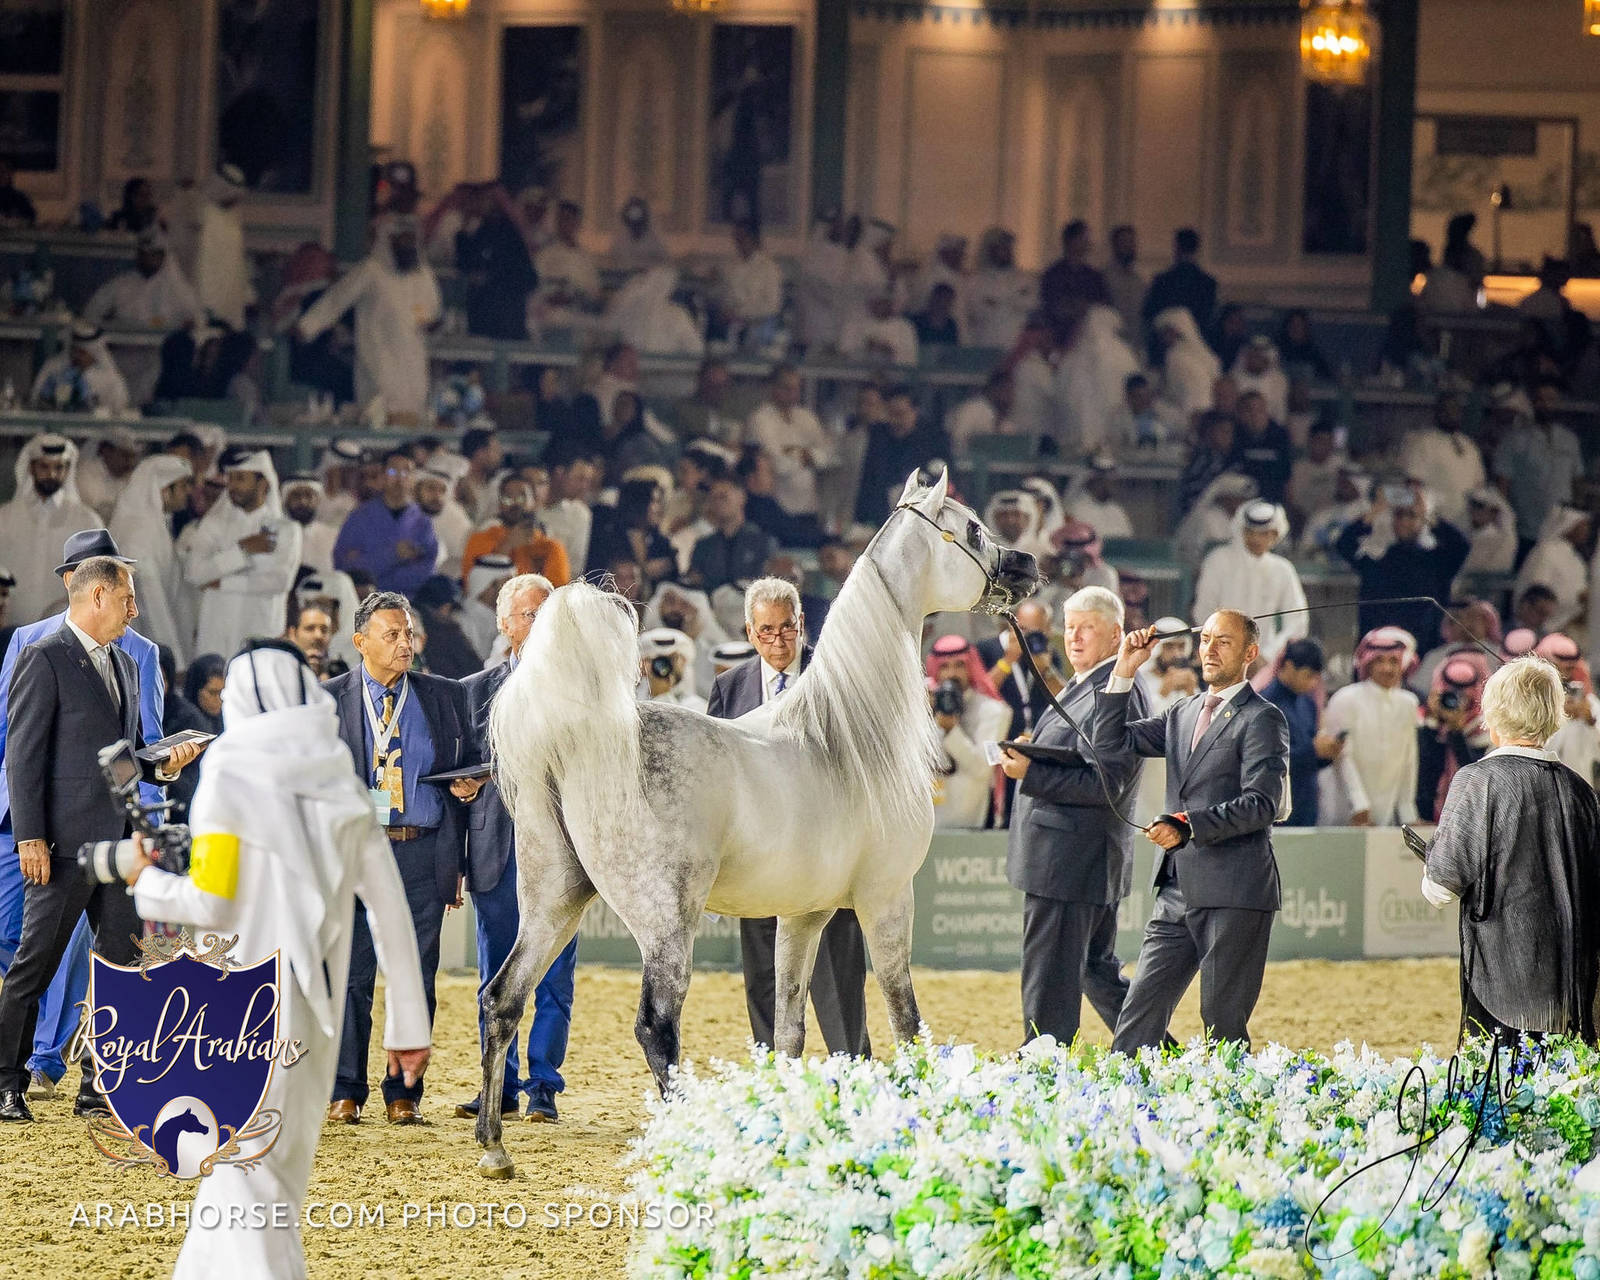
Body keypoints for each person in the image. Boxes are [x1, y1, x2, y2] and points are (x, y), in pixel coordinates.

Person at [126, 641, 430, 1276]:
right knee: (274, 1181)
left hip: (239, 1009)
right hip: (317, 1013)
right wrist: (408, 1027)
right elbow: (389, 909)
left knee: (243, 1176)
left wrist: (143, 881)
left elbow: (208, 903)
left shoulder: (229, 777)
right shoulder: (342, 783)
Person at [0, 557, 204, 1122]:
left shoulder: (127, 663)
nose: (135, 610)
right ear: (95, 598)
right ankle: (5, 1080)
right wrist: (31, 838)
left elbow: (124, 759)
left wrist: (165, 765)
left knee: (122, 964)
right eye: (127, 599)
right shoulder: (43, 658)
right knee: (34, 966)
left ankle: (100, 1082)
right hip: (62, 847)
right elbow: (23, 756)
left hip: (121, 848)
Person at [1094, 610, 1289, 1051]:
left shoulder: (1263, 718)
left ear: (1250, 653)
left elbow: (1262, 804)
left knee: (1222, 1024)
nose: (1210, 649)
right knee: (1138, 1015)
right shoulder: (1182, 712)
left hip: (1235, 891)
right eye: (1205, 640)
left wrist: (1187, 825)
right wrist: (1124, 669)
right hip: (1176, 890)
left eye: (1224, 642)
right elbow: (1110, 744)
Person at [705, 577, 870, 1055]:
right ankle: (771, 1072)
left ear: (802, 624)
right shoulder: (728, 688)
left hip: (824, 858)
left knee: (838, 975)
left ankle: (853, 1071)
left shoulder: (837, 675)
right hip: (754, 856)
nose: (778, 641)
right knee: (761, 974)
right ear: (749, 633)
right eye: (766, 631)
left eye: (786, 629)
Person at [324, 593, 472, 1124]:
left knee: (415, 975)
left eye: (409, 634)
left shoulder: (445, 696)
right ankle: (344, 1087)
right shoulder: (327, 701)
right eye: (392, 635)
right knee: (351, 973)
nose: (405, 643)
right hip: (353, 855)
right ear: (360, 641)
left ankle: (403, 1090)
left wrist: (469, 788)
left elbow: (468, 765)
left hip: (422, 849)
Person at [450, 574, 577, 1122]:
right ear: (503, 624)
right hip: (495, 850)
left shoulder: (578, 690)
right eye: (527, 614)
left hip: (560, 854)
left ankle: (543, 1086)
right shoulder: (473, 690)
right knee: (495, 971)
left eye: (546, 612)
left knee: (553, 974)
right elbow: (457, 771)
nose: (537, 623)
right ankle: (497, 1084)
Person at [1422, 656, 1600, 1045]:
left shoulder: (1476, 781)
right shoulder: (1583, 793)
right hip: (1575, 993)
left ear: (1490, 711)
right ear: (1555, 715)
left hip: (1500, 987)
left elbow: (1440, 888)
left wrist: (1434, 853)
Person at [1000, 586, 1145, 1044]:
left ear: (1117, 634)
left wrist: (1031, 773)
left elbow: (1104, 783)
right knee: (1092, 970)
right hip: (1078, 855)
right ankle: (1158, 1050)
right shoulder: (1090, 684)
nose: (1074, 638)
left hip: (1070, 859)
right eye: (1069, 628)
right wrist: (1037, 755)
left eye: (1087, 628)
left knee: (1050, 981)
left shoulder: (1115, 690)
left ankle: (1042, 1067)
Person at [297, 217, 441, 421]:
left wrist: (433, 323)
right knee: (378, 410)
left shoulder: (423, 274)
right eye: (402, 242)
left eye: (410, 241)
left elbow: (432, 311)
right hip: (378, 355)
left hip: (412, 358)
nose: (407, 247)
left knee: (413, 410)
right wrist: (308, 326)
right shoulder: (371, 271)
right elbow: (337, 299)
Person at [182, 450, 302, 660]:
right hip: (217, 636)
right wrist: (241, 550)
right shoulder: (213, 525)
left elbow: (279, 581)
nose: (232, 486)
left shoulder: (286, 530)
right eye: (231, 479)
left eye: (241, 479)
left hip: (262, 633)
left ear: (263, 483)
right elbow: (193, 573)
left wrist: (222, 583)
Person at [1335, 490, 1471, 654]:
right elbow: (1344, 544)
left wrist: (1427, 515)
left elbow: (1461, 546)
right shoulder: (1378, 562)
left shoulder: (1436, 563)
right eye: (1399, 516)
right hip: (1380, 653)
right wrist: (1375, 511)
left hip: (1423, 651)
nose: (1404, 522)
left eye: (1411, 516)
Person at [1321, 627, 1421, 827]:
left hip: (1385, 807)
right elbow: (1343, 756)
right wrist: (1358, 805)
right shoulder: (1346, 698)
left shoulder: (1408, 703)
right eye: (1379, 661)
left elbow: (1409, 760)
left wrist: (1408, 811)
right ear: (1368, 663)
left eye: (1393, 661)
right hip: (1344, 806)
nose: (1387, 669)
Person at [0, 437, 101, 627]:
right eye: (44, 467)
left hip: (64, 631)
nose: (52, 474)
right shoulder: (5, 517)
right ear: (31, 468)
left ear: (68, 470)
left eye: (59, 468)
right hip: (11, 629)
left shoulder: (87, 521)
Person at [1191, 500, 1307, 664]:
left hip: (1265, 662)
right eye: (1251, 532)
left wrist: (1267, 655)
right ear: (1242, 530)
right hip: (1220, 657)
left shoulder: (1283, 569)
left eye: (1264, 533)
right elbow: (1203, 611)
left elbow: (1297, 621)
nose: (1257, 539)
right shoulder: (1218, 560)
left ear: (1275, 534)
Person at [108, 454, 194, 665]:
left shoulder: (155, 526)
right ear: (164, 491)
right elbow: (151, 601)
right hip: (138, 645)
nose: (188, 492)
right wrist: (172, 658)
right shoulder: (139, 534)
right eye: (183, 486)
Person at [1493, 379, 1585, 560]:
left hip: (1562, 533)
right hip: (1526, 533)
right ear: (1533, 402)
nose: (1546, 404)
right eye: (1540, 399)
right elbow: (1502, 486)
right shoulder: (1514, 440)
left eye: (1551, 399)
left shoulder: (1569, 440)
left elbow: (1578, 482)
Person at [332, 449, 439, 598]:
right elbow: (346, 567)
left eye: (406, 472)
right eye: (393, 472)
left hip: (409, 604)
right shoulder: (359, 517)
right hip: (365, 603)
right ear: (382, 477)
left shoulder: (423, 523)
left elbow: (425, 572)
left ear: (414, 479)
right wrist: (393, 555)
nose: (399, 479)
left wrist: (378, 574)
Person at [1259, 638, 1339, 826]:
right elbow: (1266, 762)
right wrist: (1313, 751)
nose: (1312, 683)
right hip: (1275, 809)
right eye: (1308, 675)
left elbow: (1310, 755)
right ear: (1288, 666)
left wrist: (1326, 753)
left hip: (1305, 804)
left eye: (1316, 678)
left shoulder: (1307, 703)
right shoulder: (1265, 705)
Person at [744, 364, 836, 526]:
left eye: (796, 389)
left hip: (809, 506)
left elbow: (828, 456)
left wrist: (793, 453)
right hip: (777, 507)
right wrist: (809, 456)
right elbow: (778, 463)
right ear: (773, 388)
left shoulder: (806, 417)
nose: (793, 394)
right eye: (787, 388)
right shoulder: (760, 419)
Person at [854, 388, 951, 527]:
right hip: (882, 517)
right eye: (891, 415)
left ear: (914, 412)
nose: (895, 421)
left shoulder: (934, 440)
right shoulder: (879, 438)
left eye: (900, 414)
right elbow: (869, 482)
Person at [453, 183, 538, 341]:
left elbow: (524, 272)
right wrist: (465, 226)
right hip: (483, 310)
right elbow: (465, 264)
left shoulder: (508, 231)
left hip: (507, 310)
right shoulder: (478, 231)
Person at [1415, 652, 1491, 822]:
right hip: (1426, 817)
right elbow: (1424, 772)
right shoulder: (1423, 719)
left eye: (1465, 690)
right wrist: (1432, 726)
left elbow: (1474, 774)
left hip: (1470, 817)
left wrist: (1457, 732)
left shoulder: (1485, 726)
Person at [1398, 391, 1486, 530]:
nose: (1451, 413)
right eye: (1446, 409)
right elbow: (1413, 486)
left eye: (1455, 409)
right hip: (1435, 524)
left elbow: (1479, 487)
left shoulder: (1469, 446)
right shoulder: (1423, 442)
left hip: (1465, 527)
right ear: (1437, 412)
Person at [686, 476, 776, 595]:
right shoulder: (703, 546)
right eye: (713, 498)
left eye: (723, 496)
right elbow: (694, 582)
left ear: (741, 497)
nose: (718, 503)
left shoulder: (764, 542)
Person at [1141, 227, 1218, 356]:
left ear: (1176, 247)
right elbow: (1207, 318)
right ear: (1197, 249)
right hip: (1196, 345)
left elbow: (1150, 313)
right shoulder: (1208, 283)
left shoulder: (1162, 280)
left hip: (1165, 344)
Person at [29, 320, 132, 415]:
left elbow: (120, 409)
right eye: (74, 350)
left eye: (82, 353)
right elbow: (35, 400)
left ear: (94, 353)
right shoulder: (53, 367)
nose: (76, 356)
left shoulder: (109, 378)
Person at [193, 166, 253, 329]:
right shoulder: (205, 217)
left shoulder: (233, 218)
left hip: (232, 292)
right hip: (207, 289)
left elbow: (237, 260)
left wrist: (247, 294)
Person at [1515, 506, 1591, 633]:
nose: (1586, 531)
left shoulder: (1576, 557)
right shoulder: (1546, 551)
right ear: (1569, 526)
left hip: (1569, 622)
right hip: (1543, 624)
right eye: (1582, 525)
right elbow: (1537, 592)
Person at [715, 220, 785, 348]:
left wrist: (741, 315)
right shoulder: (730, 266)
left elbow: (772, 305)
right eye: (736, 238)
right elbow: (724, 295)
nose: (738, 243)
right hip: (730, 329)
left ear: (753, 238)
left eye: (742, 238)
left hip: (758, 330)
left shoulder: (768, 268)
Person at [1152, 306, 1222, 422]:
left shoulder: (1176, 356)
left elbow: (1175, 392)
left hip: (1188, 414)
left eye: (1165, 332)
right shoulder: (1201, 354)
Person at [638, 628, 707, 713]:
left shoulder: (698, 707)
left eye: (672, 658)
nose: (663, 665)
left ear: (684, 661)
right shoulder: (631, 702)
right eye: (656, 660)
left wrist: (661, 694)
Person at [1230, 336, 1289, 425]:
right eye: (1253, 356)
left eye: (1260, 356)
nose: (1256, 359)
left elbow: (1280, 413)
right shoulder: (1233, 378)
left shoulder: (1279, 380)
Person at [1103, 224, 1145, 347]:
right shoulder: (1104, 278)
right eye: (1124, 242)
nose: (1129, 246)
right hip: (1111, 346)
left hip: (1135, 347)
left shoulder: (1139, 282)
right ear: (1115, 245)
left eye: (1131, 242)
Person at [283, 596, 334, 679]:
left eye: (324, 630)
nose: (318, 636)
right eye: (310, 628)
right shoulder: (279, 673)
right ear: (292, 633)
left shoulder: (341, 677)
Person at [0, 156, 37, 226]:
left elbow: (30, 219)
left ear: (10, 174)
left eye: (3, 171)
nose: (0, 175)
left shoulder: (20, 198)